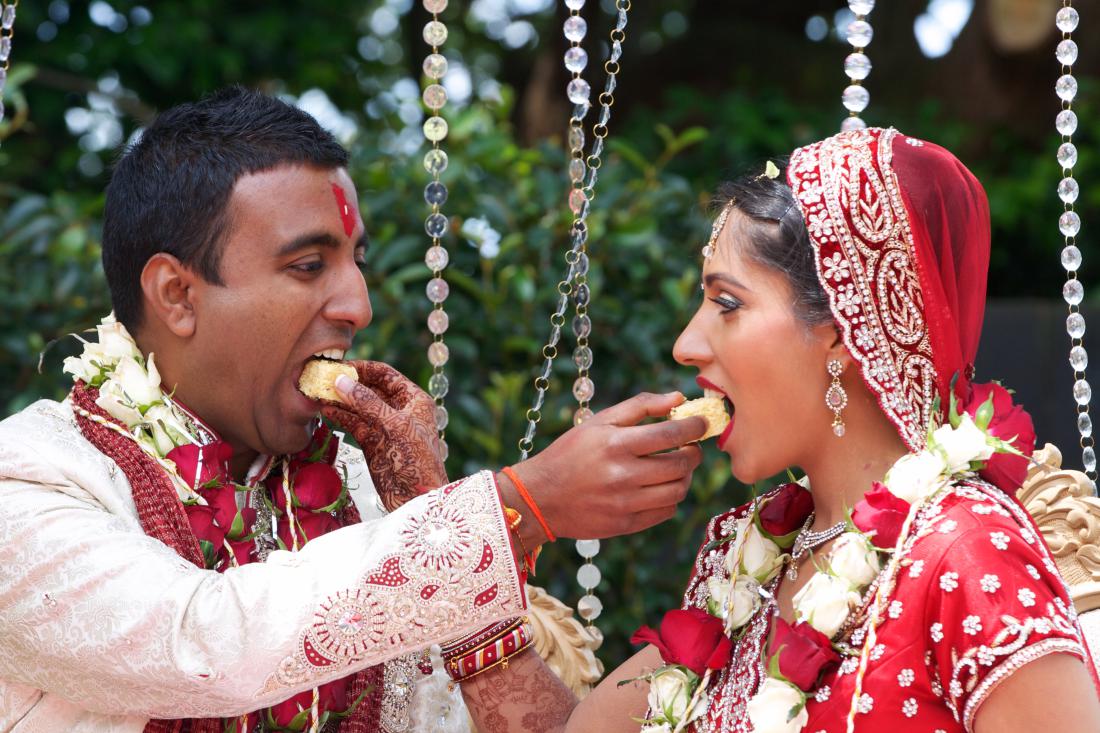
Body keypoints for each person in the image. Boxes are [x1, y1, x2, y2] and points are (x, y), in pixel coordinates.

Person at [0, 87, 707, 732]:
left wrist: (440, 519)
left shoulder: (375, 497)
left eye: (356, 261)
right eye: (309, 266)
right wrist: (518, 503)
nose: (358, 306)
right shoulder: (31, 479)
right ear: (177, 295)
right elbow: (201, 642)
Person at [455, 127, 1100, 732]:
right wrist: (523, 511)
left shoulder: (964, 552)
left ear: (846, 329)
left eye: (727, 303)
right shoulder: (745, 557)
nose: (685, 344)